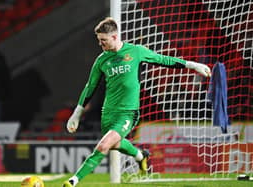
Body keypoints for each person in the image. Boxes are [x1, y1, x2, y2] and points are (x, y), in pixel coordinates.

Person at [62, 17, 211, 187]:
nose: (100, 44)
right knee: (114, 144)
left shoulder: (136, 51)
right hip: (108, 113)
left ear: (115, 37)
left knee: (103, 146)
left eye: (103, 40)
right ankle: (141, 156)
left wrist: (192, 65)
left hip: (128, 113)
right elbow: (90, 87)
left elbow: (163, 60)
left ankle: (74, 180)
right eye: (99, 40)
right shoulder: (101, 60)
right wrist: (77, 113)